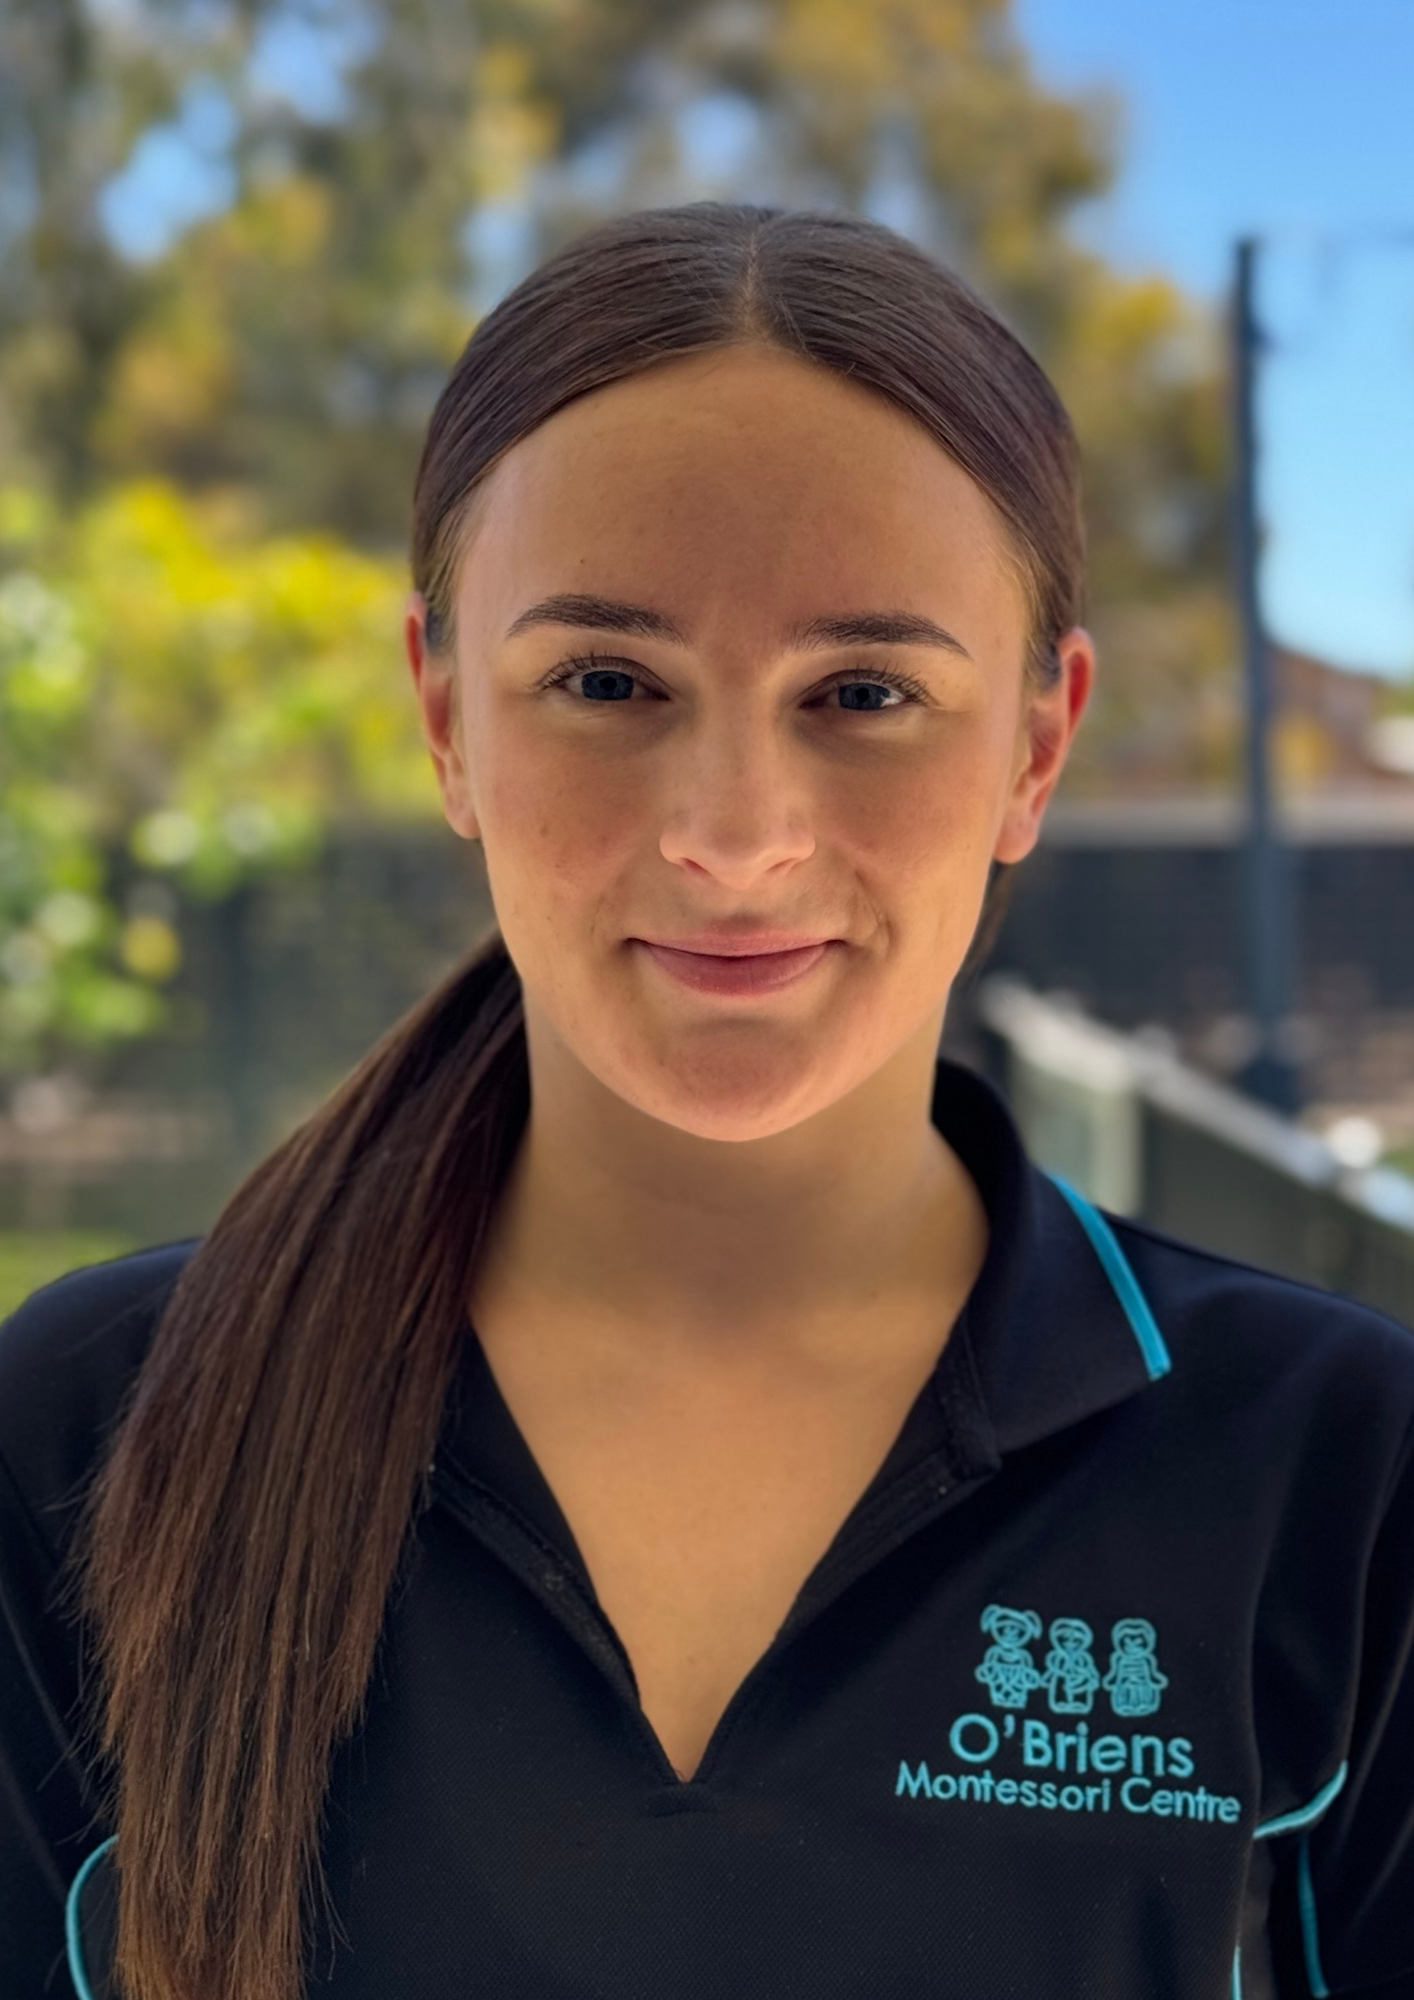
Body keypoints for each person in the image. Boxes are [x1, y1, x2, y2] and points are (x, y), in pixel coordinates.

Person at [2, 200, 1412, 2000]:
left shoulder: (1331, 1464)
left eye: (863, 690)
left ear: (1036, 744)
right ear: (445, 715)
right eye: (605, 681)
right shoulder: (88, 1431)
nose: (735, 837)